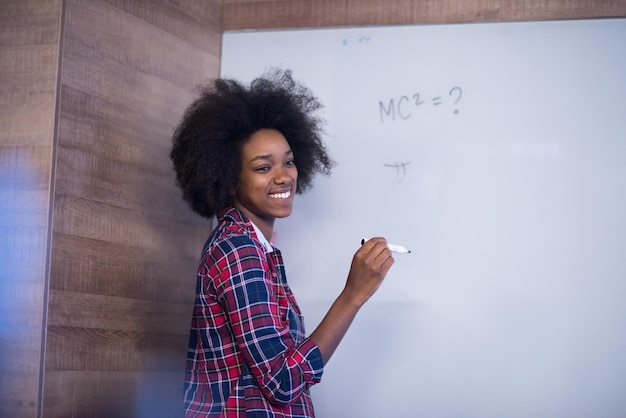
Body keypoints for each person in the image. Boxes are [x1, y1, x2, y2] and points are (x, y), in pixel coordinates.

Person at [170, 68, 394, 417]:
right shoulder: (237, 250)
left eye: (288, 162)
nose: (283, 175)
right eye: (263, 167)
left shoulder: (253, 246)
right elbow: (283, 381)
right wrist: (354, 295)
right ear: (228, 176)